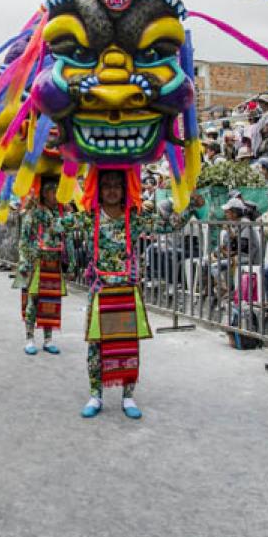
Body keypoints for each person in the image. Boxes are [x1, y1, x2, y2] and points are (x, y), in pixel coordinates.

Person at [81, 170, 186, 421]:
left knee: (128, 346)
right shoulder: (90, 218)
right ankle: (96, 395)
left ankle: (128, 396)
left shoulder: (134, 218)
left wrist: (191, 206)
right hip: (99, 292)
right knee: (96, 345)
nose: (112, 190)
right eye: (106, 185)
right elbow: (58, 224)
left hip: (126, 292)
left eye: (117, 185)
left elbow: (167, 226)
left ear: (125, 189)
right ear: (99, 189)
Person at [15, 178, 74, 356]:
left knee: (52, 301)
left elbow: (68, 238)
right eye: (51, 190)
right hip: (36, 261)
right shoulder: (34, 212)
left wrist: (70, 263)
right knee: (33, 300)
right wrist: (24, 260)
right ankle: (29, 338)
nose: (55, 194)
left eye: (57, 190)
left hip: (54, 262)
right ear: (44, 192)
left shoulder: (62, 213)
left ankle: (48, 339)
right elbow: (24, 238)